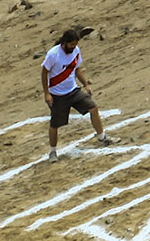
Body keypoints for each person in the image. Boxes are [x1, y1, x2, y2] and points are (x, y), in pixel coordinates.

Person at [41, 28, 107, 160]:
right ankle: (53, 151)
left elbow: (77, 70)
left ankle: (102, 137)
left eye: (75, 45)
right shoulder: (53, 54)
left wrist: (86, 84)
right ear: (64, 42)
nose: (73, 47)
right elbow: (44, 73)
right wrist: (47, 94)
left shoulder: (76, 51)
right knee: (55, 124)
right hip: (58, 95)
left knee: (93, 107)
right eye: (71, 45)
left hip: (73, 91)